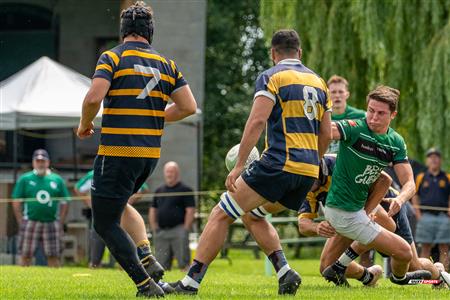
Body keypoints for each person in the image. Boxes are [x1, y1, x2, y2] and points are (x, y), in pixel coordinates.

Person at [170, 29, 332, 295]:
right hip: (306, 172)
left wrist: (239, 165)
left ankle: (190, 283)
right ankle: (285, 271)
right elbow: (325, 133)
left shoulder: (271, 77)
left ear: (273, 53)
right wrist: (313, 164)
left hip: (278, 165)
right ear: (299, 53)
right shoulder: (319, 82)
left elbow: (257, 121)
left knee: (221, 214)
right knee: (251, 214)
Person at [76, 1, 197, 297]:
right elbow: (188, 107)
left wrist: (84, 124)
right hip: (148, 157)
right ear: (149, 31)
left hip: (117, 153)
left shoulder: (111, 57)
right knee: (120, 206)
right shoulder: (166, 64)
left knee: (104, 222)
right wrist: (154, 118)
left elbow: (93, 98)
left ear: (123, 31)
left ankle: (146, 285)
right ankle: (146, 255)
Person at [322, 85, 432, 285]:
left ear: (393, 115)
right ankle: (399, 279)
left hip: (366, 209)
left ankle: (435, 272)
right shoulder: (355, 128)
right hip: (343, 211)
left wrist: (400, 199)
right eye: (370, 110)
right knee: (404, 252)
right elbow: (327, 131)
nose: (373, 117)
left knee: (412, 262)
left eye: (381, 113)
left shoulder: (395, 142)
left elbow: (409, 183)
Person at [298, 155, 450, 287]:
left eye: (309, 180)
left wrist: (366, 214)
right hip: (350, 216)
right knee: (326, 266)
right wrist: (317, 227)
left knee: (412, 267)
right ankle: (368, 276)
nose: (306, 185)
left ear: (320, 170)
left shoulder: (341, 163)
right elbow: (303, 224)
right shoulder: (305, 184)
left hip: (382, 205)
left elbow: (388, 221)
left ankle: (438, 276)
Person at [74, 170, 150, 268]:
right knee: (96, 254)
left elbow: (144, 189)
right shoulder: (94, 174)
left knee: (121, 251)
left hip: (119, 216)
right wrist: (90, 203)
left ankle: (124, 269)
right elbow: (78, 188)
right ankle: (95, 267)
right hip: (100, 216)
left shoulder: (124, 172)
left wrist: (127, 203)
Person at [11, 149, 70, 267]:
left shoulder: (57, 179)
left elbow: (65, 201)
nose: (40, 163)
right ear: (33, 162)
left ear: (48, 162)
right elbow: (16, 201)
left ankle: (54, 282)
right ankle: (22, 281)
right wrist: (20, 220)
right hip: (30, 221)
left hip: (51, 221)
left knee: (53, 255)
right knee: (25, 254)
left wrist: (61, 220)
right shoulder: (25, 179)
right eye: (37, 161)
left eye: (43, 161)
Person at [149, 161, 195, 271]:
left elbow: (190, 210)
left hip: (178, 230)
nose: (169, 174)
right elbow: (153, 210)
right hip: (161, 231)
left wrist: (185, 229)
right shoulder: (159, 191)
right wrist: (154, 227)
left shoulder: (186, 190)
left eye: (172, 172)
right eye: (167, 172)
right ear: (165, 173)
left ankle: (185, 282)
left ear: (177, 173)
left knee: (183, 263)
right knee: (161, 265)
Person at [413, 148, 450, 271]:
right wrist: (418, 215)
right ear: (427, 160)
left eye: (436, 157)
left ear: (440, 160)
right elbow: (415, 196)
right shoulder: (421, 177)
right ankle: (425, 273)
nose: (434, 159)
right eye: (431, 157)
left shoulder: (447, 177)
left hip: (443, 217)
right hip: (425, 217)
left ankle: (444, 275)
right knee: (425, 247)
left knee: (444, 247)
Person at [326, 75, 366, 154]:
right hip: (326, 162)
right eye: (333, 92)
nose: (337, 95)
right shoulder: (321, 117)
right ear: (327, 95)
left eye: (340, 92)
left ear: (347, 94)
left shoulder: (362, 116)